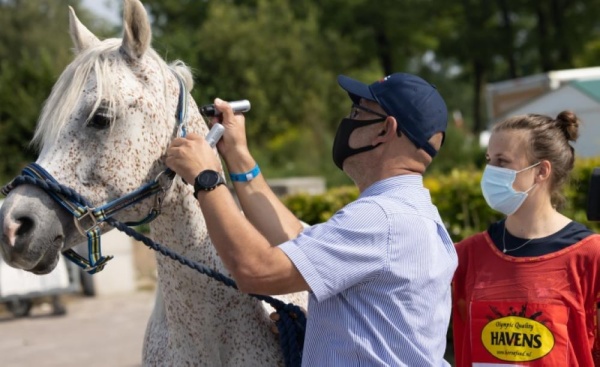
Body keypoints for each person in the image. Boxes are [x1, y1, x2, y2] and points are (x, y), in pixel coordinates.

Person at [166, 72, 457, 366]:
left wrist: (206, 178)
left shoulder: (380, 218)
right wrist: (238, 154)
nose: (349, 120)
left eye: (358, 112)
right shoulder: (414, 212)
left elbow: (256, 270)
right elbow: (297, 240)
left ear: (385, 129)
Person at [452, 111, 600, 366]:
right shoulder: (468, 254)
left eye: (502, 161)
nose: (490, 171)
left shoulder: (590, 255)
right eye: (489, 160)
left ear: (541, 171)